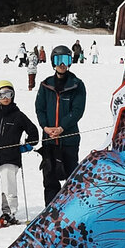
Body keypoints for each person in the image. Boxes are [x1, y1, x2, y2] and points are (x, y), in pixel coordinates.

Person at [0, 81, 38, 227]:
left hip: (10, 158)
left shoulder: (18, 115)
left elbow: (33, 132)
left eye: (9, 94)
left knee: (8, 186)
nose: (5, 97)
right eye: (1, 94)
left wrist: (26, 146)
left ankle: (8, 213)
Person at [35, 45, 86, 206]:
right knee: (50, 180)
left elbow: (77, 110)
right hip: (49, 141)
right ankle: (51, 211)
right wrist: (45, 127)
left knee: (71, 179)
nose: (62, 64)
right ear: (53, 62)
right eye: (58, 60)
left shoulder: (77, 84)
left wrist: (62, 127)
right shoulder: (45, 85)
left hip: (69, 140)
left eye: (66, 60)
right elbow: (40, 108)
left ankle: (71, 210)